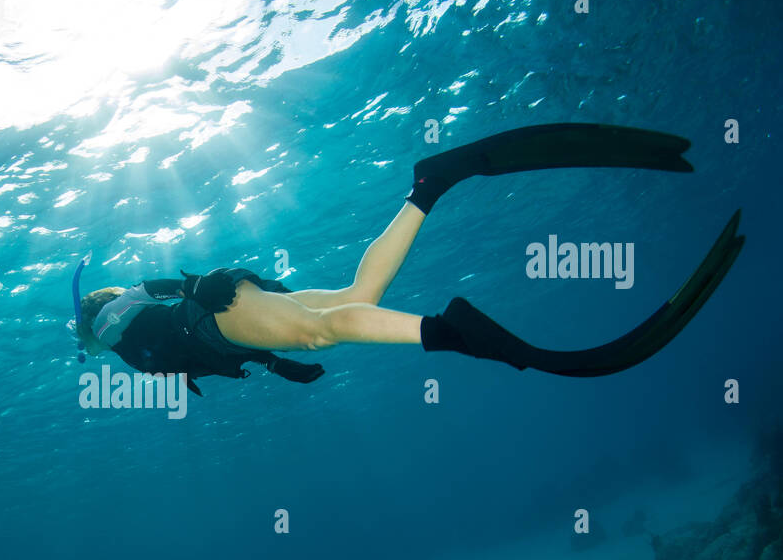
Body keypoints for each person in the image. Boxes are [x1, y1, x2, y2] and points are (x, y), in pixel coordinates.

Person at [74, 123, 744, 396]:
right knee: (355, 294)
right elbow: (192, 334)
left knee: (327, 324)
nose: (95, 348)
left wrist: (191, 286)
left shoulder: (110, 332)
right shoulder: (133, 342)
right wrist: (278, 363)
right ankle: (432, 184)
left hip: (216, 308)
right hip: (231, 304)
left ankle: (451, 334)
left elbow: (140, 296)